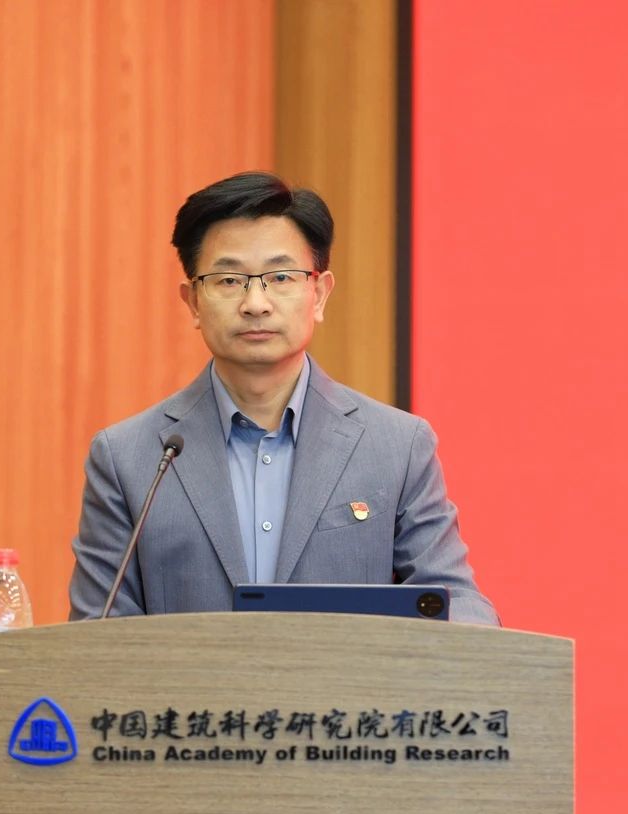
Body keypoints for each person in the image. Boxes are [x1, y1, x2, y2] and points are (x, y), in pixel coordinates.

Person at [68, 172, 498, 625]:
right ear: (193, 302)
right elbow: (98, 633)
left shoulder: (396, 446)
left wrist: (476, 637)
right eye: (229, 280)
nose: (256, 303)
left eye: (280, 277)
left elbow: (454, 600)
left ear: (319, 293)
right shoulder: (128, 459)